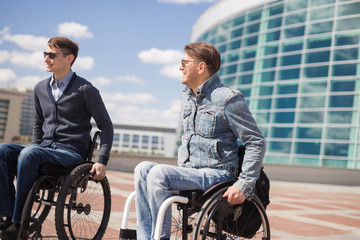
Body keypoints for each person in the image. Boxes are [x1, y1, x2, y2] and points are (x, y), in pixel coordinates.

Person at [134, 42, 266, 240]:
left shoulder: (228, 99)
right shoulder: (189, 98)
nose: (180, 67)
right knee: (142, 168)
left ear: (201, 67)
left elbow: (256, 141)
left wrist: (244, 184)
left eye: (184, 62)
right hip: (192, 173)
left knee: (159, 173)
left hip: (218, 175)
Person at [0, 36, 114, 239]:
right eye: (45, 54)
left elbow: (106, 125)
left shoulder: (85, 89)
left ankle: (19, 224)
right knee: (2, 151)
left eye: (52, 55)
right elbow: (38, 123)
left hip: (70, 154)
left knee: (30, 153)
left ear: (69, 58)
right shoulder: (40, 88)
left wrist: (102, 161)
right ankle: (5, 214)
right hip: (44, 149)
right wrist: (34, 152)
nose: (46, 59)